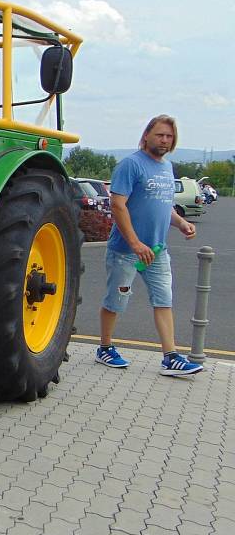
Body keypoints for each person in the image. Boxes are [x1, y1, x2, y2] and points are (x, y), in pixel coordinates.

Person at [97, 115, 203, 376]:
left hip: (157, 251)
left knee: (164, 300)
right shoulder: (130, 165)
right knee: (116, 300)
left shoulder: (167, 168)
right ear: (147, 135)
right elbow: (118, 205)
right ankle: (105, 348)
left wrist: (181, 223)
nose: (164, 140)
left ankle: (170, 357)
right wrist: (135, 243)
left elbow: (163, 206)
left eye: (169, 136)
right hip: (126, 251)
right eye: (160, 135)